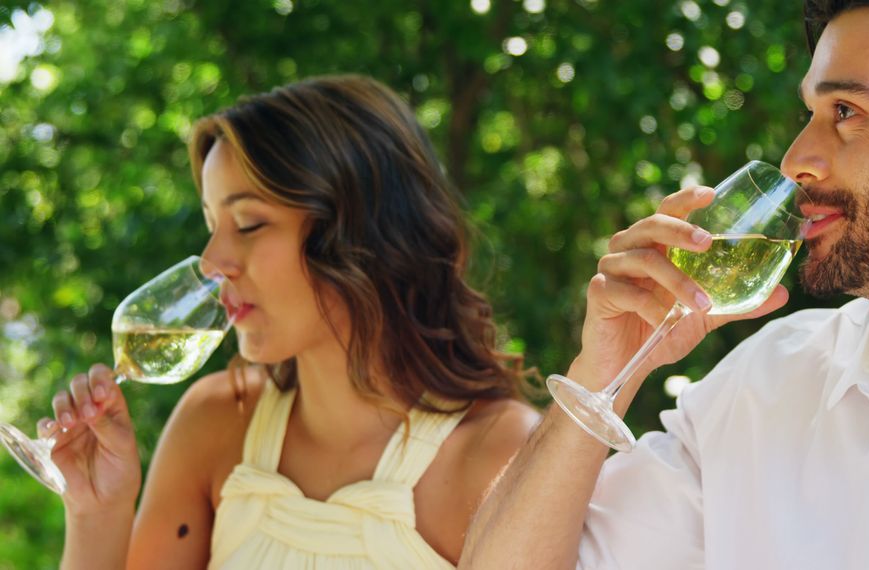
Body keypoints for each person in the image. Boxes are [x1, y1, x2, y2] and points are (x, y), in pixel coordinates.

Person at [461, 0, 869, 568]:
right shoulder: (762, 389)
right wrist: (605, 373)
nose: (795, 160)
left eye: (845, 113)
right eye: (810, 113)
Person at [42, 74, 539, 569]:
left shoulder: (501, 454)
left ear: (359, 231)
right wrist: (97, 514)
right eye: (213, 226)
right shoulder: (213, 424)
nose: (213, 262)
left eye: (249, 224)